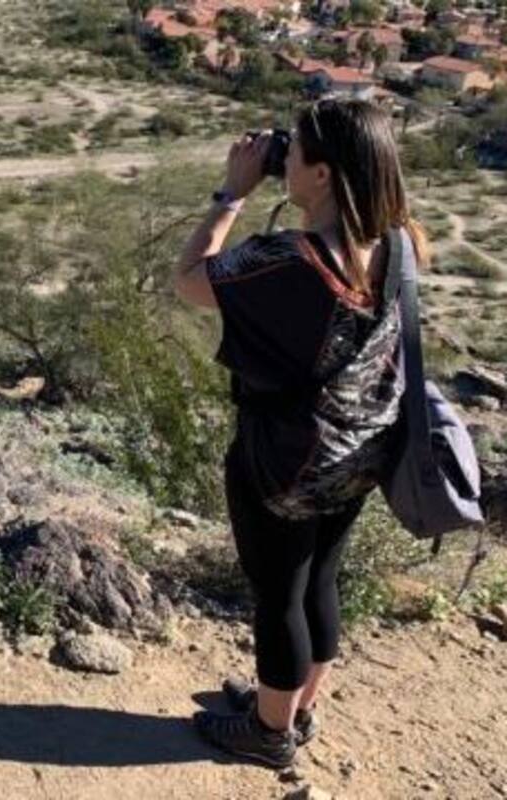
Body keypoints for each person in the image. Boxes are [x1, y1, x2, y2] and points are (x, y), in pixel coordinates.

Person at [172, 99, 429, 768]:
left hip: (286, 461)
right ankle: (294, 706)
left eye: (297, 153)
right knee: (321, 583)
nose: (285, 161)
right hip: (360, 448)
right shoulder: (400, 242)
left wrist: (230, 192)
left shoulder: (293, 259)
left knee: (278, 594)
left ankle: (269, 733)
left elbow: (190, 282)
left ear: (321, 175)